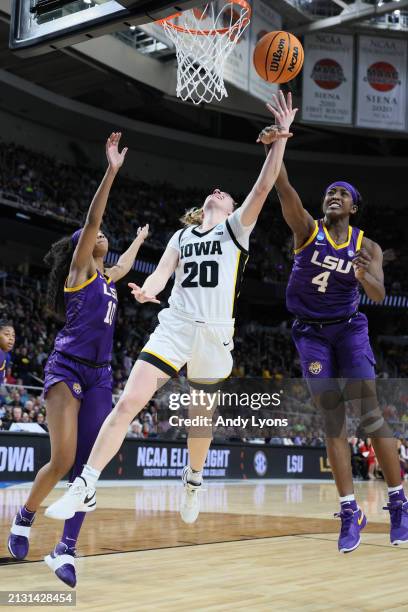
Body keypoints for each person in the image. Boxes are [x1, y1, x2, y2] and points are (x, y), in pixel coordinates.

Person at [44, 92, 297, 526]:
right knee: (129, 403)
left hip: (214, 335)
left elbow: (264, 185)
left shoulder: (236, 231)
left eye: (225, 194)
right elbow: (162, 276)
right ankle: (85, 484)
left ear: (232, 209)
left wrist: (280, 140)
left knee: (201, 425)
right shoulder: (182, 239)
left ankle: (193, 479)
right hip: (175, 325)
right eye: (213, 191)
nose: (218, 191)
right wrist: (147, 291)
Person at [258, 91, 408, 553]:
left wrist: (366, 277)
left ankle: (399, 503)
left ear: (354, 206)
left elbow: (381, 296)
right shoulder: (307, 229)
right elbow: (283, 187)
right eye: (329, 192)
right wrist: (275, 144)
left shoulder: (368, 244)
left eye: (341, 193)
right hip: (309, 334)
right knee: (333, 422)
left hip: (349, 328)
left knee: (369, 414)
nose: (333, 196)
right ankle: (349, 511)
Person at [7, 132, 148, 588]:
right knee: (64, 459)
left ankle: (65, 550)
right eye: (95, 237)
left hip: (101, 376)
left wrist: (144, 241)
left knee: (90, 469)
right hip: (66, 367)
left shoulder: (107, 277)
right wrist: (110, 172)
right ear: (82, 248)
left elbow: (124, 266)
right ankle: (25, 516)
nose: (103, 235)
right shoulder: (78, 273)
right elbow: (92, 218)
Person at [0, 320, 15, 385]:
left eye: (13, 335)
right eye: (7, 334)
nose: (11, 338)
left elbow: (3, 370)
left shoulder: (7, 356)